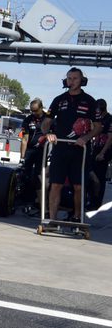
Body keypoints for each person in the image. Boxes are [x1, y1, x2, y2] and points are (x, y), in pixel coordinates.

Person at [42, 67, 102, 224]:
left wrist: (86, 138)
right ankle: (52, 219)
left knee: (78, 186)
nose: (71, 81)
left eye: (75, 78)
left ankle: (77, 216)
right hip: (60, 148)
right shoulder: (59, 99)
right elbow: (46, 123)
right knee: (55, 184)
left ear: (82, 80)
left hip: (80, 150)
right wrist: (48, 133)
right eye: (69, 78)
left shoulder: (90, 101)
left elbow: (98, 127)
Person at [19, 98, 48, 205]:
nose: (33, 113)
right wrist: (22, 157)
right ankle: (26, 199)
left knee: (39, 176)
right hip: (30, 150)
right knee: (25, 174)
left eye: (35, 110)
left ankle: (39, 200)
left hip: (42, 151)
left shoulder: (48, 119)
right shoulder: (28, 120)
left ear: (41, 108)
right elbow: (24, 139)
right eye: (32, 110)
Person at [88, 98, 112, 210]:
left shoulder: (109, 119)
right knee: (92, 174)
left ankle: (96, 202)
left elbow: (110, 138)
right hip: (95, 148)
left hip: (104, 151)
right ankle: (91, 199)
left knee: (100, 177)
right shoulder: (98, 119)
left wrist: (102, 153)